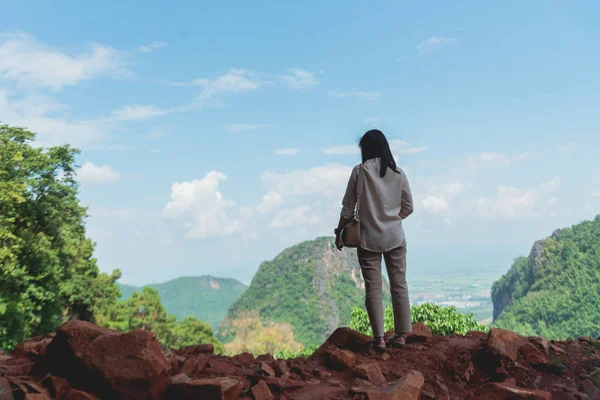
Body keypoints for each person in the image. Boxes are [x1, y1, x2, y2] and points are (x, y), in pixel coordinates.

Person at [334, 129, 414, 352]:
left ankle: (378, 338)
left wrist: (338, 231)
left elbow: (348, 208)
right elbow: (409, 207)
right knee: (399, 285)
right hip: (396, 237)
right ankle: (400, 335)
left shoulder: (359, 172)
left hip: (368, 237)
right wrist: (391, 219)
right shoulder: (398, 173)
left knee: (373, 289)